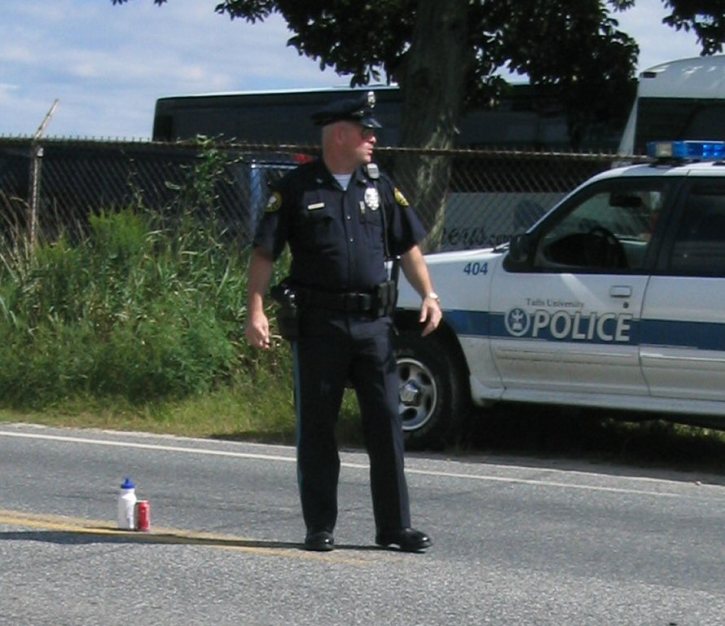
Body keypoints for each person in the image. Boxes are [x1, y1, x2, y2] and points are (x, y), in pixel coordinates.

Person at [245, 91, 442, 553]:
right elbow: (264, 254)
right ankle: (320, 526)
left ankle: (394, 527)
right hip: (319, 327)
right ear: (340, 134)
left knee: (387, 423)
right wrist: (256, 310)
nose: (373, 138)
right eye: (365, 131)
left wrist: (428, 294)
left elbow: (407, 247)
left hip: (373, 326)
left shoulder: (378, 187)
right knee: (317, 428)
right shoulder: (296, 189)